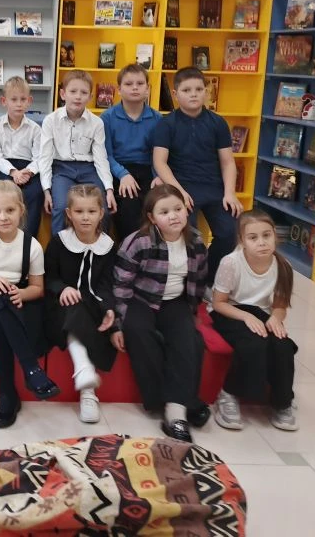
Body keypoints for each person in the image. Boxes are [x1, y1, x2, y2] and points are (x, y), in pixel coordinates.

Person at [112, 184, 209, 443]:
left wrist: (193, 311)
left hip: (175, 300)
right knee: (138, 332)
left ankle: (176, 413)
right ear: (152, 218)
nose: (173, 216)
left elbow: (199, 280)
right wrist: (119, 323)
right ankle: (175, 401)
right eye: (164, 212)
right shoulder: (138, 242)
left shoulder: (196, 242)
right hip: (140, 298)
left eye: (178, 209)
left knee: (188, 339)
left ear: (186, 210)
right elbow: (121, 285)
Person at [0, 182, 59, 428]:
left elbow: (37, 289)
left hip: (16, 303)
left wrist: (21, 294)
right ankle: (31, 369)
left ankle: (7, 394)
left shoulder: (32, 246)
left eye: (9, 210)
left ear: (21, 210)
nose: (3, 217)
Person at [153, 66, 243, 284]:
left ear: (206, 91)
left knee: (231, 231)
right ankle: (187, 282)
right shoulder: (166, 123)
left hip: (214, 188)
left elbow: (228, 162)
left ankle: (208, 279)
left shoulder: (217, 122)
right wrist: (179, 192)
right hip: (182, 187)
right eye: (186, 90)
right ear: (175, 94)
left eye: (198, 89)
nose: (193, 94)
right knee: (187, 235)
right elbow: (160, 162)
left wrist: (230, 193)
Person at [210, 210, 299, 431]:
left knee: (283, 346)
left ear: (275, 235)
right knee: (253, 343)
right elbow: (219, 303)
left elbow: (280, 306)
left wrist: (276, 318)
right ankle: (228, 394)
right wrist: (246, 316)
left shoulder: (284, 266)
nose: (261, 242)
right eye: (253, 237)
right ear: (242, 241)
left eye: (266, 235)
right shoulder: (231, 262)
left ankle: (283, 402)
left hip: (262, 312)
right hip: (231, 311)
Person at [44, 185, 117, 424]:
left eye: (91, 211)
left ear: (101, 213)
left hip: (93, 306)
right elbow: (49, 277)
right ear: (69, 213)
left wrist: (109, 309)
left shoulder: (108, 246)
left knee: (85, 307)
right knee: (75, 305)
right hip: (60, 306)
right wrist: (62, 288)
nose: (85, 217)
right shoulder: (59, 242)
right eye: (79, 211)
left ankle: (85, 377)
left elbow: (106, 285)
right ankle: (87, 387)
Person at [39, 70, 116, 235]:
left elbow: (101, 158)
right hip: (61, 169)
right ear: (63, 94)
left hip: (88, 169)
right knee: (61, 207)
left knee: (103, 207)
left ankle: (101, 248)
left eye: (83, 92)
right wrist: (46, 190)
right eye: (73, 91)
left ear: (90, 96)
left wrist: (109, 189)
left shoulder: (97, 123)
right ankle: (58, 249)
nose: (78, 97)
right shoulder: (50, 121)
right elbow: (44, 157)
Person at [101, 64, 162, 243]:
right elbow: (106, 155)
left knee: (157, 203)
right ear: (119, 90)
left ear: (147, 89)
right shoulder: (107, 117)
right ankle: (128, 251)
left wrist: (158, 176)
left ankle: (153, 250)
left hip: (148, 169)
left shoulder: (157, 119)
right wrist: (123, 174)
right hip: (118, 170)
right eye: (128, 84)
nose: (135, 88)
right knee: (128, 205)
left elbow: (159, 154)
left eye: (140, 83)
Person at [0, 76, 43, 238]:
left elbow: (40, 157)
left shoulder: (35, 129)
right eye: (14, 99)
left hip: (28, 169)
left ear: (29, 101)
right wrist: (13, 172)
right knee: (6, 193)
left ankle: (28, 240)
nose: (19, 104)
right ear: (4, 101)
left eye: (23, 99)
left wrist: (28, 172)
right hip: (5, 168)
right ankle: (4, 237)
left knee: (35, 193)